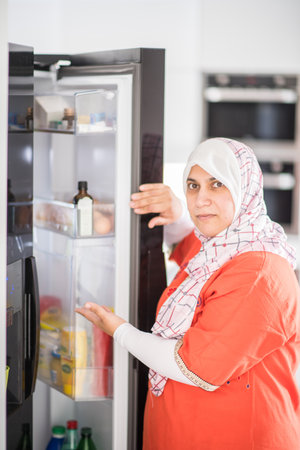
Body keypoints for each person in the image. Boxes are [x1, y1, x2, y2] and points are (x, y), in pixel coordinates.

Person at [76, 137, 300, 450]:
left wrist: (119, 331)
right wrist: (176, 211)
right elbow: (188, 239)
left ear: (244, 188)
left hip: (237, 438)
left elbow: (196, 368)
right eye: (193, 186)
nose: (200, 200)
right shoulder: (221, 244)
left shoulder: (259, 272)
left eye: (217, 184)